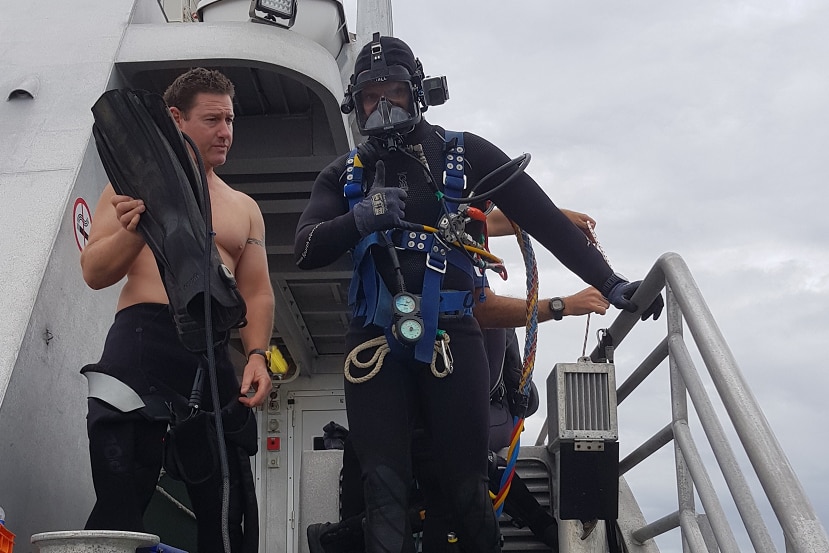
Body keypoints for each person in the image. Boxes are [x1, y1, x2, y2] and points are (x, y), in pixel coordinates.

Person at [294, 34, 662, 553]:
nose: (382, 106)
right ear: (354, 104)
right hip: (374, 346)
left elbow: (543, 219)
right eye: (370, 97)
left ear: (418, 92)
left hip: (454, 342)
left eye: (394, 92)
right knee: (384, 492)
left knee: (468, 491)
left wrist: (612, 283)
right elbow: (305, 247)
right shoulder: (345, 175)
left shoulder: (462, 154)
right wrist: (358, 219)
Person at [80, 68, 274, 552]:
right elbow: (94, 272)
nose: (225, 131)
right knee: (121, 493)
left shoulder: (244, 207)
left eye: (230, 119)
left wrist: (256, 356)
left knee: (229, 509)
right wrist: (131, 229)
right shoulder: (125, 186)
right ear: (176, 118)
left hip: (211, 349)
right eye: (212, 119)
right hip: (141, 340)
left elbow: (257, 291)